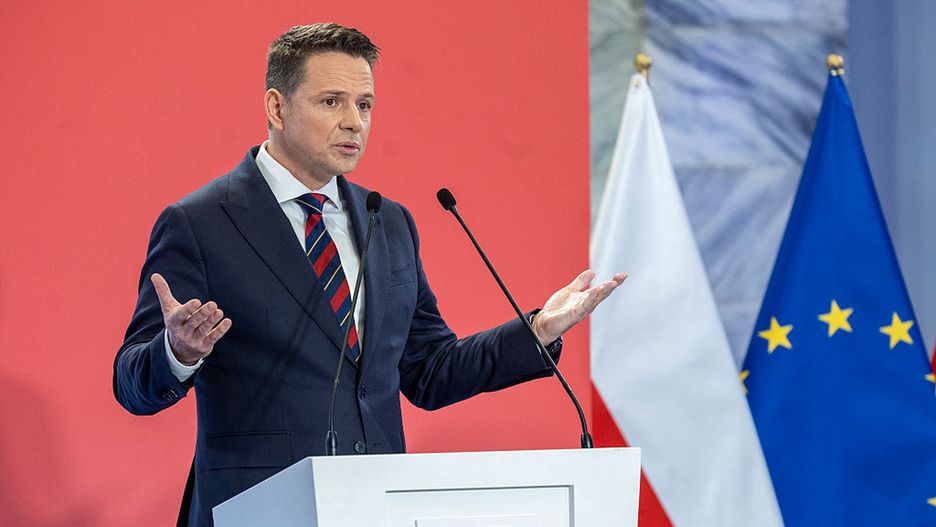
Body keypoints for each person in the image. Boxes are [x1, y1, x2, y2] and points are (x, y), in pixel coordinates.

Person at [113, 23, 626, 527]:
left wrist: (537, 330)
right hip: (255, 507)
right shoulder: (202, 222)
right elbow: (132, 383)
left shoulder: (389, 220)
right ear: (276, 107)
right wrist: (177, 353)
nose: (354, 122)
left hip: (375, 505)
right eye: (331, 101)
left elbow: (429, 370)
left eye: (364, 105)